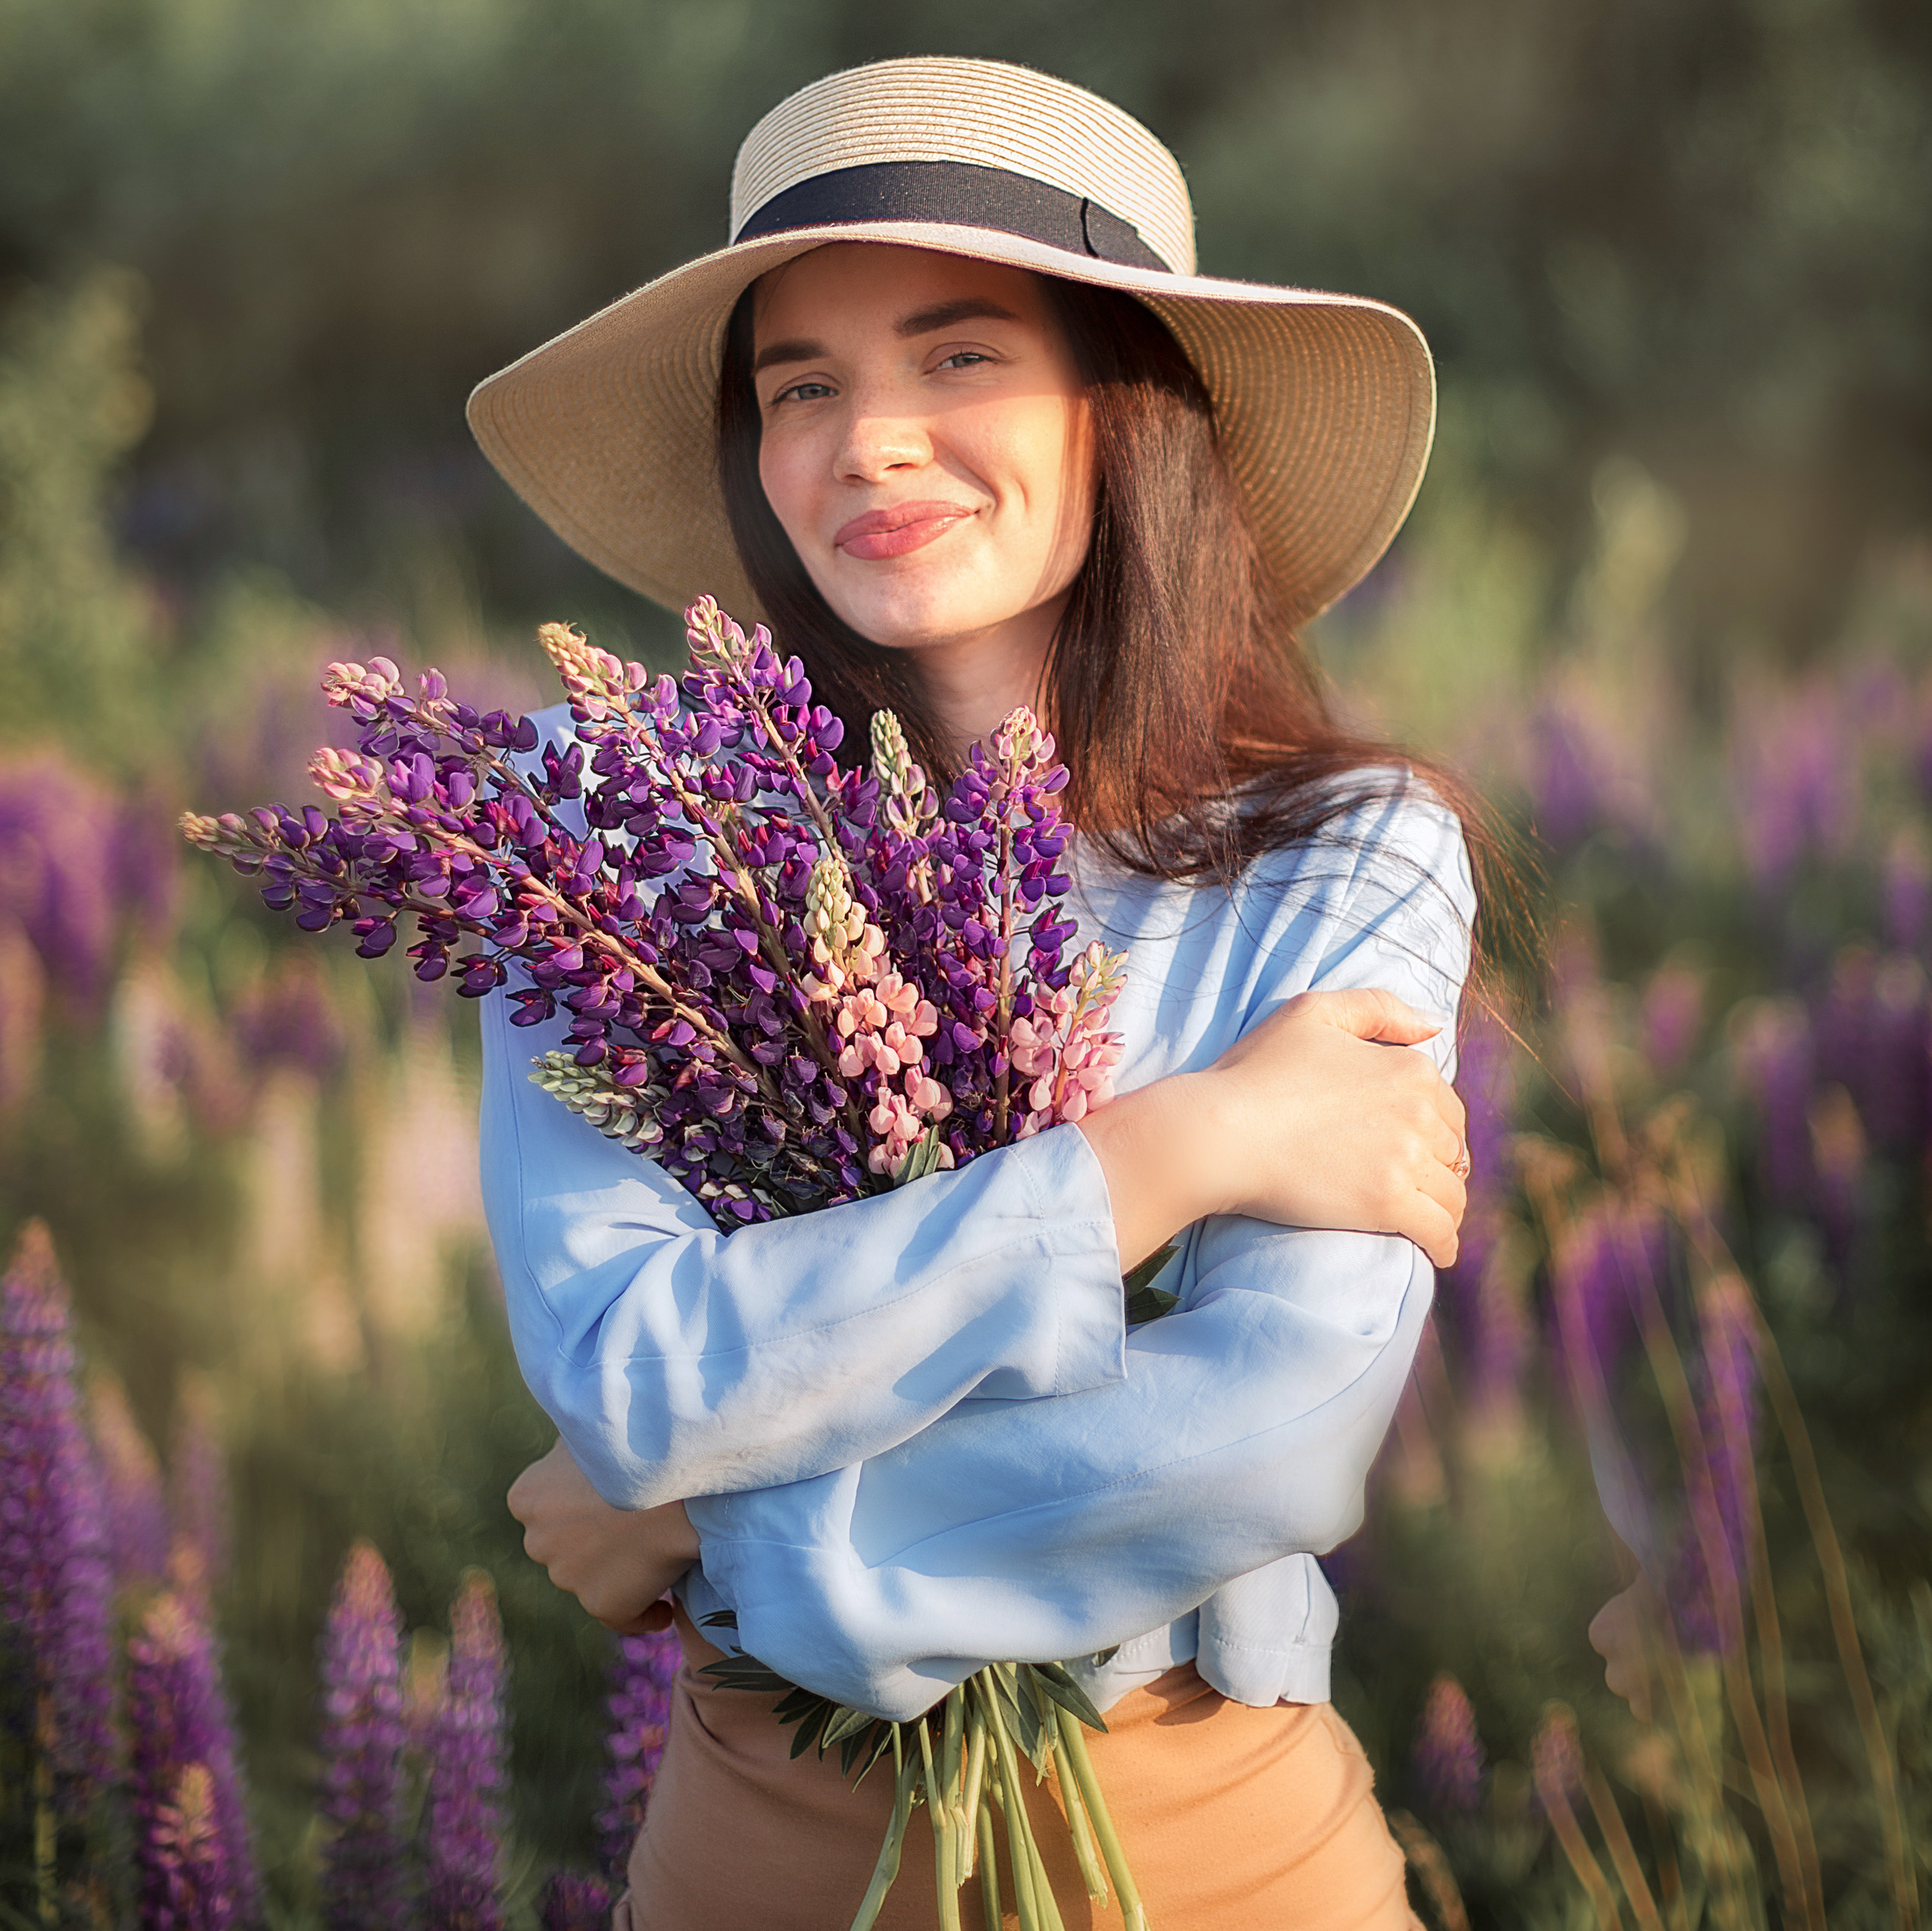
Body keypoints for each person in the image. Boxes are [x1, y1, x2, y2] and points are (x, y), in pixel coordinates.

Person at [469, 56, 1497, 1929]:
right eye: (803, 386)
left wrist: (713, 1510)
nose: (870, 440)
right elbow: (633, 1370)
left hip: (1217, 1850)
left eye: (960, 356)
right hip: (761, 1859)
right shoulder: (617, 838)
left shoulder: (1345, 855)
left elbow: (1269, 1429)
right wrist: (1178, 1149)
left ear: (1124, 404)